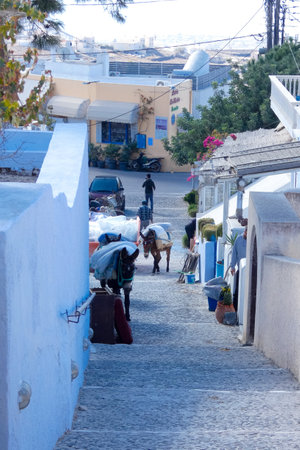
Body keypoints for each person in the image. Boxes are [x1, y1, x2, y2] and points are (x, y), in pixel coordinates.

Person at [230, 226, 247, 312]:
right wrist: (232, 266)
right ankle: (235, 310)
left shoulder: (252, 240)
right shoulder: (238, 240)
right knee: (237, 290)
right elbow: (234, 253)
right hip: (240, 269)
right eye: (245, 232)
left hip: (250, 270)